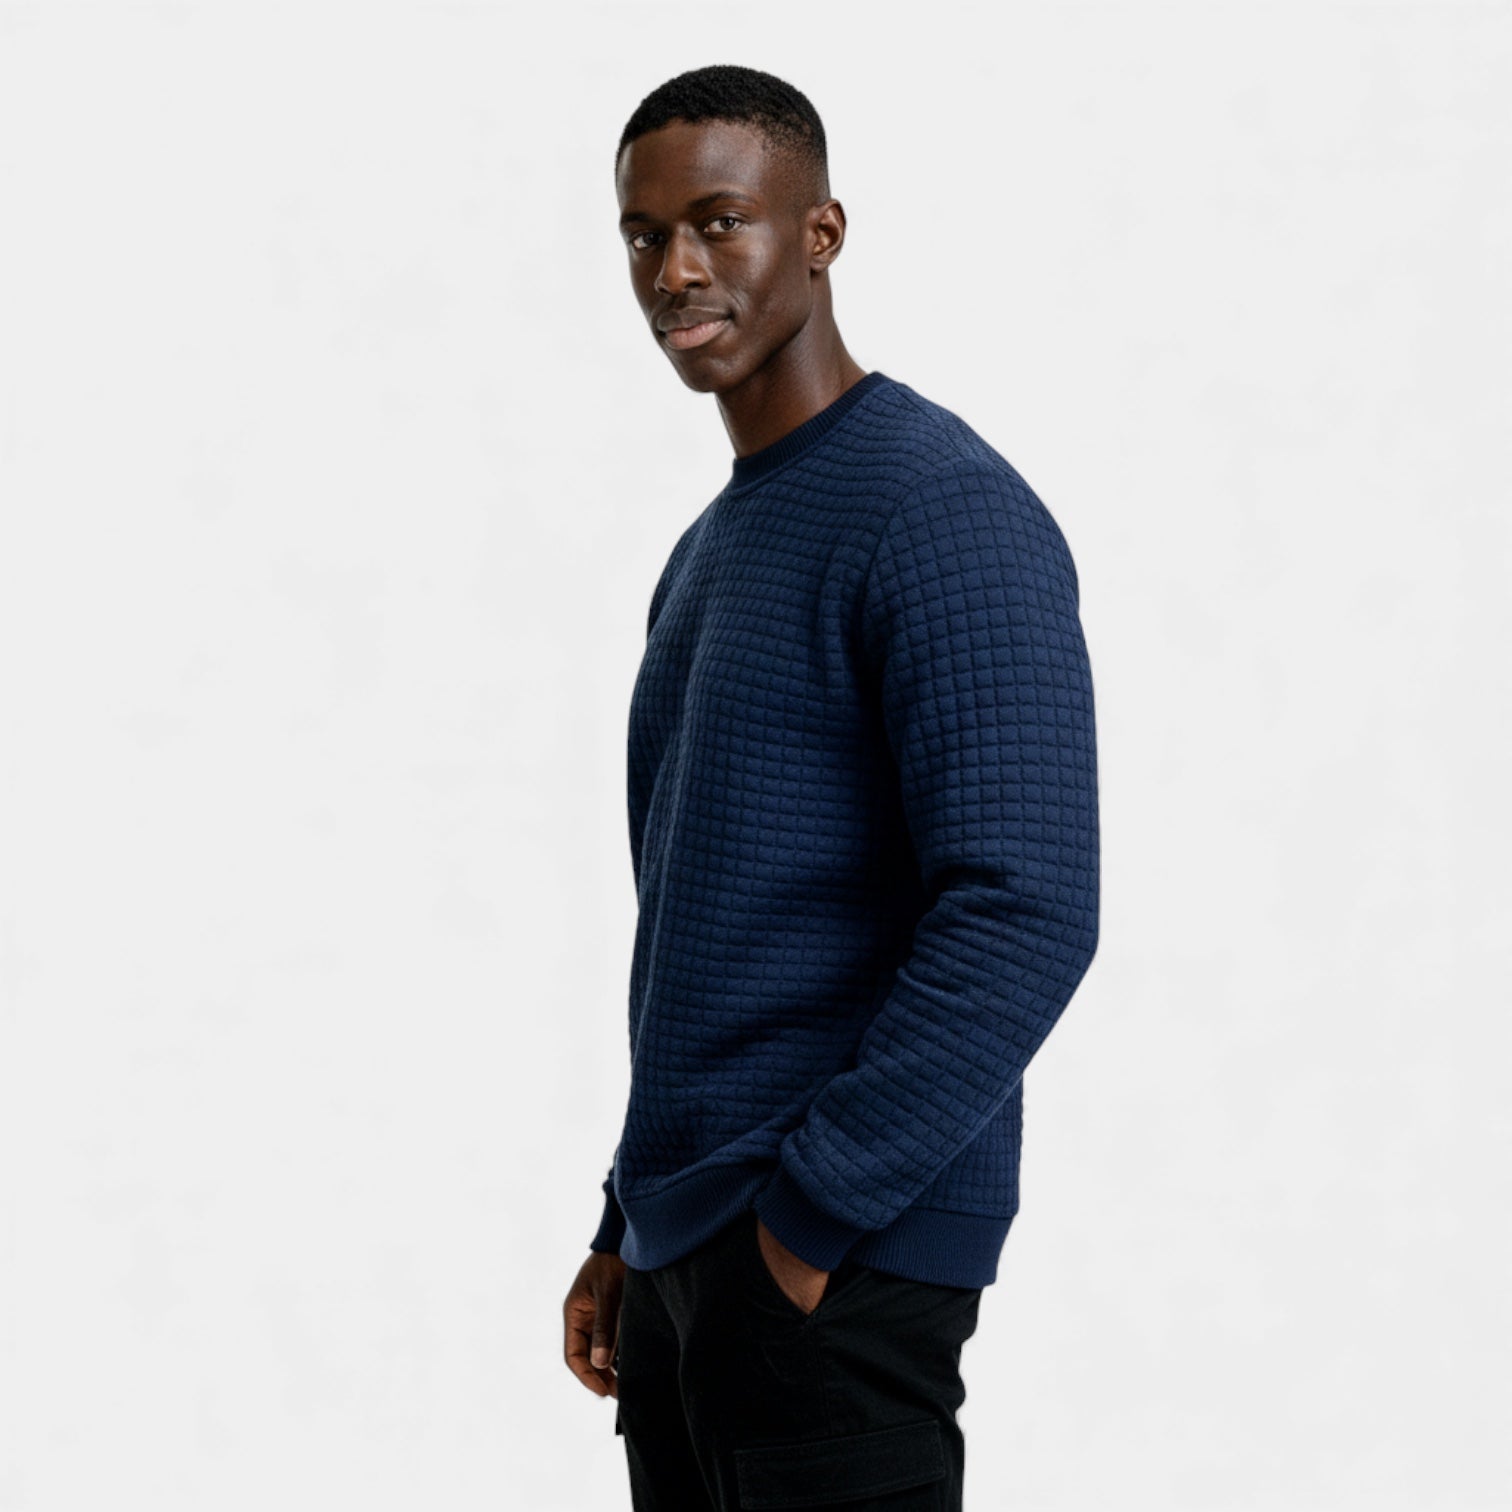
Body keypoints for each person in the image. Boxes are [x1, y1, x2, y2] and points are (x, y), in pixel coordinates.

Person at [562, 63, 1100, 1511]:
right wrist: (627, 1220)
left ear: (821, 233)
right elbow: (702, 927)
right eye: (643, 235)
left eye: (720, 221)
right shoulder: (710, 551)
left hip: (830, 1262)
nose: (676, 270)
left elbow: (1026, 909)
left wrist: (804, 1226)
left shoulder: (939, 509)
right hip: (690, 1248)